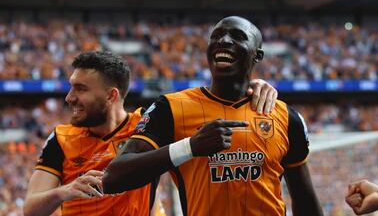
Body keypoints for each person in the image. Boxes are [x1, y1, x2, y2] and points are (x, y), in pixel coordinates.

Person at [103, 16, 323, 216]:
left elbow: (304, 198)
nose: (224, 41)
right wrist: (189, 147)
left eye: (237, 37)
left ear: (257, 55)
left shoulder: (285, 116)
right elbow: (113, 177)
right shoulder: (170, 108)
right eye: (216, 36)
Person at [23, 50, 278, 216]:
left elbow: (210, 105)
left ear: (111, 95)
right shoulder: (61, 138)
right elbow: (31, 209)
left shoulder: (147, 125)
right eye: (71, 88)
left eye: (80, 89)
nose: (69, 98)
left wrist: (250, 87)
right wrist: (65, 191)